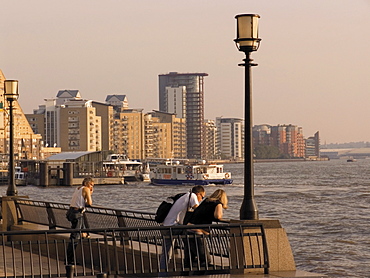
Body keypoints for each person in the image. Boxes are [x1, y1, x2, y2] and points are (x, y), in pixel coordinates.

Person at [159, 185, 205, 275]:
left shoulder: (184, 196)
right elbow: (198, 210)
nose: (201, 199)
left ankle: (162, 274)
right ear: (198, 194)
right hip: (173, 226)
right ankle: (198, 258)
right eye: (202, 197)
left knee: (166, 253)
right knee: (193, 233)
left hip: (165, 226)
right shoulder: (193, 196)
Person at [183, 189, 228, 268]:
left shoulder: (205, 201)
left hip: (188, 229)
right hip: (198, 231)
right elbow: (218, 216)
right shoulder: (218, 204)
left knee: (189, 258)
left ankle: (187, 273)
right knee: (205, 259)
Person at [66, 177, 94, 265]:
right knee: (75, 237)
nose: (91, 187)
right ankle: (69, 260)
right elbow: (89, 203)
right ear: (87, 183)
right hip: (77, 214)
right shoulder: (86, 189)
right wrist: (90, 193)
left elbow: (80, 200)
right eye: (91, 185)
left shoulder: (78, 188)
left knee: (83, 233)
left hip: (71, 212)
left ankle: (84, 234)